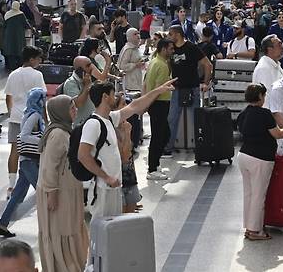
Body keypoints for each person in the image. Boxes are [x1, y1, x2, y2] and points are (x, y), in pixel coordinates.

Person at [78, 79, 175, 221]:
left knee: (112, 230)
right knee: (101, 231)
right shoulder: (93, 124)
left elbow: (135, 106)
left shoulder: (110, 118)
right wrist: (106, 177)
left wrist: (158, 90)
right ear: (105, 97)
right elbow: (83, 155)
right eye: (112, 94)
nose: (115, 97)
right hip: (102, 189)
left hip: (113, 187)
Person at [237, 84, 283, 241]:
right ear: (260, 97)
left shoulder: (243, 114)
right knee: (258, 195)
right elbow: (277, 134)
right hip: (260, 158)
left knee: (248, 193)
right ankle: (255, 231)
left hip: (243, 155)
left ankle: (249, 227)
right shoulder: (265, 114)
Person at [36, 95, 88, 272]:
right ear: (61, 112)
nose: (75, 111)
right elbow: (50, 166)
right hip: (58, 193)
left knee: (68, 227)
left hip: (66, 189)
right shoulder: (58, 134)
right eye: (71, 108)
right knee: (61, 230)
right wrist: (52, 192)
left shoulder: (63, 130)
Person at [0, 88, 47, 238]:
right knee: (44, 192)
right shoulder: (35, 115)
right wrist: (43, 141)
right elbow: (23, 136)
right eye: (43, 98)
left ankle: (2, 225)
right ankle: (48, 227)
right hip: (30, 161)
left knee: (17, 195)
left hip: (26, 160)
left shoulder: (28, 113)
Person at [4, 46, 46, 199]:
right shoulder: (37, 75)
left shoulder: (13, 74)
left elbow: (8, 97)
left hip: (16, 117)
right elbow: (41, 97)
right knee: (37, 150)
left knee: (15, 150)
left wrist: (12, 112)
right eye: (38, 58)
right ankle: (39, 184)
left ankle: (11, 185)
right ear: (31, 59)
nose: (40, 61)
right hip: (33, 117)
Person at [165, 25, 213, 155]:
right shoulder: (171, 49)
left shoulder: (191, 47)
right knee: (172, 118)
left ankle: (201, 147)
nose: (169, 37)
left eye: (170, 34)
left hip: (192, 88)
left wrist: (206, 82)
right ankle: (168, 147)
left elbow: (207, 64)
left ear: (177, 34)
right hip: (177, 89)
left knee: (196, 119)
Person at [143, 38, 175, 179]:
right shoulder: (161, 66)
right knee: (158, 136)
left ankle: (155, 162)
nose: (172, 51)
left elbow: (146, 83)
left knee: (164, 134)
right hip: (159, 103)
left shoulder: (155, 61)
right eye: (170, 49)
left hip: (157, 103)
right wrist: (148, 103)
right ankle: (152, 167)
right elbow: (157, 89)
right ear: (163, 49)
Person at [63, 56, 95, 127]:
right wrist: (87, 86)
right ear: (79, 70)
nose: (91, 68)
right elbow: (78, 104)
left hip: (90, 123)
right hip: (79, 125)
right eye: (88, 66)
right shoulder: (71, 83)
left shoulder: (88, 80)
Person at [3, 1, 31, 70]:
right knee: (19, 50)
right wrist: (31, 28)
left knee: (10, 50)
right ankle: (20, 67)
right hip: (19, 36)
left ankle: (11, 67)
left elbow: (4, 25)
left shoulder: (7, 14)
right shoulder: (21, 14)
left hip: (9, 36)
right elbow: (26, 24)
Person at [118, 28, 146, 92]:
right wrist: (136, 65)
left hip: (137, 78)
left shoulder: (135, 48)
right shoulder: (128, 49)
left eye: (138, 33)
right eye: (135, 34)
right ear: (129, 36)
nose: (138, 36)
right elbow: (122, 66)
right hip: (130, 82)